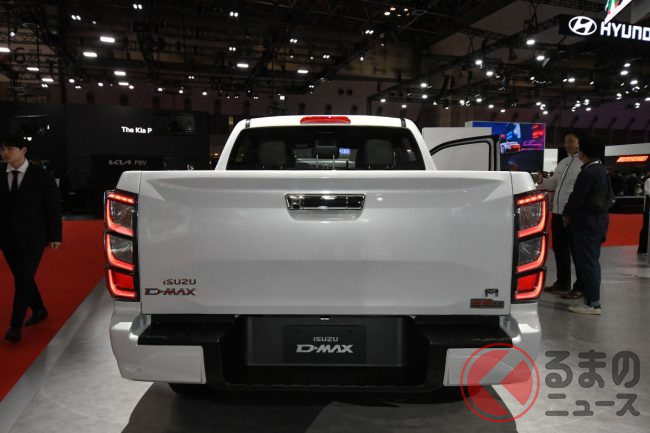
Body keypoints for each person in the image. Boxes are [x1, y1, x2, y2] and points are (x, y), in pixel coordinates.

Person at [1, 136, 62, 342]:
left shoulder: (41, 175)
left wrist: (55, 235)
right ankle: (39, 309)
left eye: (10, 148)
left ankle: (15, 326)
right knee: (23, 277)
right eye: (2, 149)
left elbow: (53, 207)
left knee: (23, 278)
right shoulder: (1, 174)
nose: (5, 152)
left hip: (34, 237)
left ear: (24, 150)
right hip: (7, 238)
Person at [562, 136, 609, 315]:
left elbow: (577, 197)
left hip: (587, 223)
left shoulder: (589, 172)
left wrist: (567, 213)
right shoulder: (599, 169)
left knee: (588, 263)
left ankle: (593, 303)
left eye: (580, 149)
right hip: (596, 221)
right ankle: (591, 300)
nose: (578, 152)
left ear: (584, 152)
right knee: (591, 262)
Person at [535, 132, 582, 295]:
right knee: (559, 249)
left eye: (571, 141)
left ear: (579, 142)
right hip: (557, 212)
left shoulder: (583, 163)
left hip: (573, 214)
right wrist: (541, 181)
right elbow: (553, 183)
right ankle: (563, 283)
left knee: (576, 251)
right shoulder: (563, 162)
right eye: (566, 141)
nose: (567, 144)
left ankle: (580, 287)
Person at [639, 174, 650, 255]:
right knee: (646, 228)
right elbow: (647, 192)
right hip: (648, 210)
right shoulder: (648, 181)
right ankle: (643, 249)